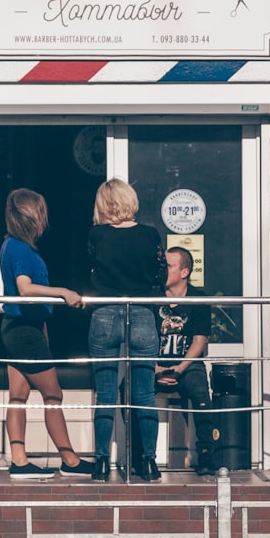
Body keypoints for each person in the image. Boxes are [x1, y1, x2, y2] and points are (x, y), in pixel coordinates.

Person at [0, 188, 94, 479]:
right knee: (53, 394)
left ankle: (19, 460)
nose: (44, 220)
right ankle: (70, 460)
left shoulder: (11, 246)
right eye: (41, 214)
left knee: (18, 396)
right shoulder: (20, 249)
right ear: (31, 217)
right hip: (24, 331)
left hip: (18, 328)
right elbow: (25, 288)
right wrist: (63, 292)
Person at [87, 178, 167, 483]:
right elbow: (161, 273)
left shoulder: (97, 234)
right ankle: (148, 463)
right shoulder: (149, 235)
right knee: (145, 393)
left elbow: (90, 268)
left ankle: (100, 463)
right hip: (143, 313)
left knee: (105, 394)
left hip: (105, 312)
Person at [155, 246, 216, 476]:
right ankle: (141, 456)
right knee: (129, 390)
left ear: (184, 272)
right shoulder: (153, 297)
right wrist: (155, 368)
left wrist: (179, 368)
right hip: (155, 365)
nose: (163, 271)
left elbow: (199, 341)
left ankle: (207, 456)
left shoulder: (198, 298)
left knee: (200, 392)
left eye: (168, 266)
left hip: (187, 365)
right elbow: (142, 340)